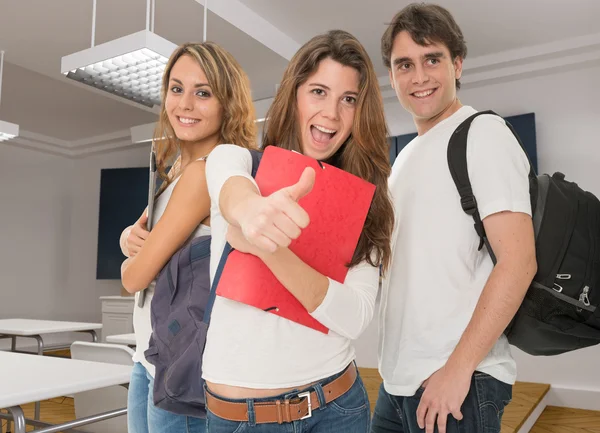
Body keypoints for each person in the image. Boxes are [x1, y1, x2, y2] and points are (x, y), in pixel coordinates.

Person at [201, 29, 395, 432]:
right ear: (294, 95)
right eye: (318, 92)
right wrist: (252, 212)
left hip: (334, 407)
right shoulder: (237, 160)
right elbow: (232, 191)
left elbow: (354, 317)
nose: (331, 113)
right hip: (238, 419)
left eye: (349, 100)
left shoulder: (367, 203)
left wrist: (266, 247)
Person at [371, 4, 537, 433]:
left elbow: (518, 262)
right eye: (404, 64)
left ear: (457, 63)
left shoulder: (482, 133)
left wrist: (457, 371)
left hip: (458, 382)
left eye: (432, 59)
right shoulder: (404, 158)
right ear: (391, 76)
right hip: (397, 383)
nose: (419, 77)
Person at [119, 41, 257, 433]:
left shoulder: (206, 172)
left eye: (203, 93)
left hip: (181, 363)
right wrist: (129, 237)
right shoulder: (177, 166)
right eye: (176, 89)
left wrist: (134, 261)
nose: (185, 104)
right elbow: (141, 234)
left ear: (227, 103)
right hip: (150, 357)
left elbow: (133, 278)